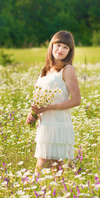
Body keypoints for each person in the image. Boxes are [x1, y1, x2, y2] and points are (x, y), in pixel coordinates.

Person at [26, 30, 81, 172]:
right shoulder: (44, 71)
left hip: (58, 126)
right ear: (51, 46)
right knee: (56, 174)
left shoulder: (67, 70)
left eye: (65, 47)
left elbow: (76, 100)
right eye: (58, 45)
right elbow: (40, 101)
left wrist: (51, 107)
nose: (60, 50)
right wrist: (34, 114)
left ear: (70, 51)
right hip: (45, 126)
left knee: (43, 171)